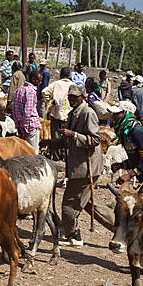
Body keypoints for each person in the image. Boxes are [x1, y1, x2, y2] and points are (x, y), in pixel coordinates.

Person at [45, 83, 114, 246]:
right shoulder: (74, 113)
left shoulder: (88, 113)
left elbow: (95, 140)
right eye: (70, 97)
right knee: (88, 204)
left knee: (69, 204)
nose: (71, 100)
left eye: (74, 97)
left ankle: (73, 235)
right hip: (80, 166)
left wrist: (74, 134)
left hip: (86, 168)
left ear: (82, 97)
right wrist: (51, 142)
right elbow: (67, 140)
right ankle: (121, 227)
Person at [42, 67, 72, 157]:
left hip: (56, 112)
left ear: (60, 75)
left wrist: (50, 100)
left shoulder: (56, 84)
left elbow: (44, 91)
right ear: (69, 75)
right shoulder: (73, 85)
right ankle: (65, 155)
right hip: (68, 113)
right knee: (67, 136)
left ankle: (56, 156)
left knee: (56, 135)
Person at [12, 70, 42, 154]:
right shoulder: (31, 92)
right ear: (33, 79)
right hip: (30, 126)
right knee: (33, 152)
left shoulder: (18, 91)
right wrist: (26, 128)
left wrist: (18, 126)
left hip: (21, 127)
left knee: (23, 152)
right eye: (39, 80)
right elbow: (27, 111)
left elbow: (14, 110)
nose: (40, 82)